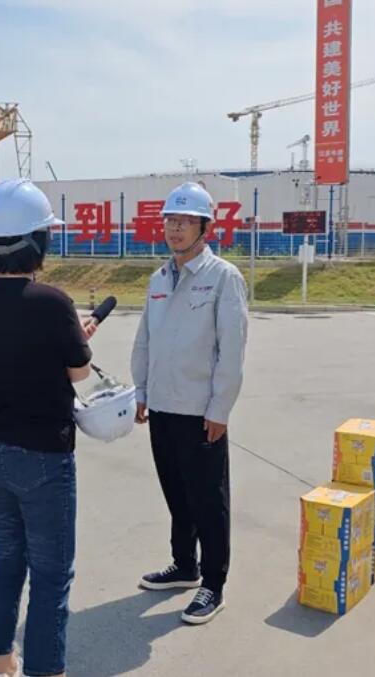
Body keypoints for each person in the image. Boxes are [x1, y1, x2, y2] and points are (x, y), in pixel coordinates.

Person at [0, 179, 97, 677]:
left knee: (6, 556)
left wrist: (67, 335)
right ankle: (46, 670)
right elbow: (79, 372)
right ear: (37, 241)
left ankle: (4, 661)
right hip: (42, 452)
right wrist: (77, 336)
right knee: (50, 573)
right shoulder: (53, 302)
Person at [131, 182, 249, 625]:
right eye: (170, 220)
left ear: (205, 228)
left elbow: (231, 352)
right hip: (162, 407)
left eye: (184, 221)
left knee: (208, 502)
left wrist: (220, 409)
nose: (174, 228)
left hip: (201, 414)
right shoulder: (159, 279)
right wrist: (141, 391)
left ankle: (213, 584)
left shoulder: (223, 278)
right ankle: (185, 565)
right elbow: (145, 340)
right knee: (177, 494)